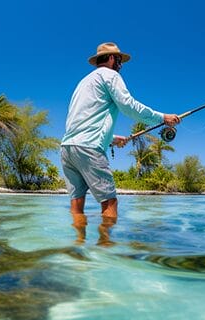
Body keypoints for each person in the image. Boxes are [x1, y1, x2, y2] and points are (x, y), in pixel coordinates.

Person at [61, 42, 180, 246]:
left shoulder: (83, 83)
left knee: (77, 201)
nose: (121, 65)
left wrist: (112, 138)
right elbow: (129, 106)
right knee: (110, 201)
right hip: (89, 147)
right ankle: (105, 248)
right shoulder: (110, 75)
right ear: (111, 59)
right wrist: (162, 118)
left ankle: (78, 246)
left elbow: (83, 120)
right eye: (119, 60)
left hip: (68, 148)